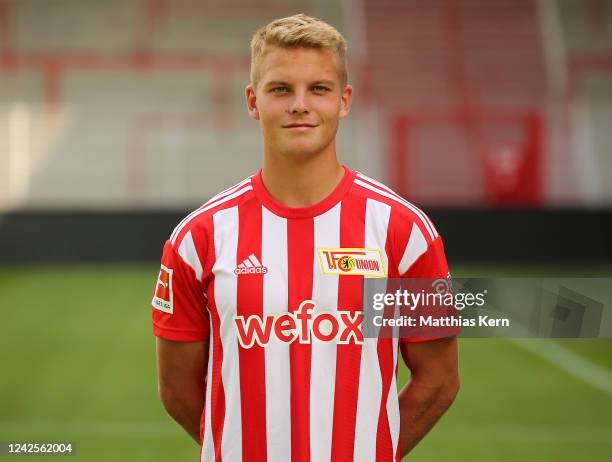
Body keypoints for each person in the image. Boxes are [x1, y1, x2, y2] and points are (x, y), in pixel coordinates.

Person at [152, 13, 459, 462]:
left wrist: (367, 451)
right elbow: (177, 389)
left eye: (318, 89)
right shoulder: (198, 238)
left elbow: (439, 380)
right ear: (253, 101)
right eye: (281, 89)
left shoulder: (404, 232)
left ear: (344, 100)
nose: (300, 104)